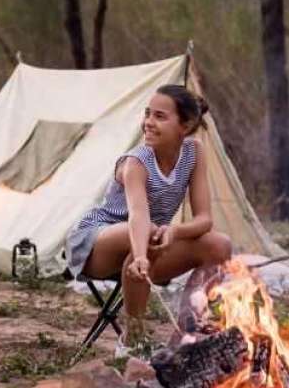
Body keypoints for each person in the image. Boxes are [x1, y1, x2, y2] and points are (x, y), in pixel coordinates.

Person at [66, 84, 233, 356]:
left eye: (159, 116)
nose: (148, 123)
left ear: (186, 124)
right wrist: (142, 254)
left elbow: (204, 219)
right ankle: (133, 339)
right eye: (147, 114)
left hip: (147, 243)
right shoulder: (136, 162)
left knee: (219, 245)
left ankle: (190, 328)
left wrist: (175, 232)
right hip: (96, 241)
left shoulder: (194, 153)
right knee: (149, 234)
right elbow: (139, 214)